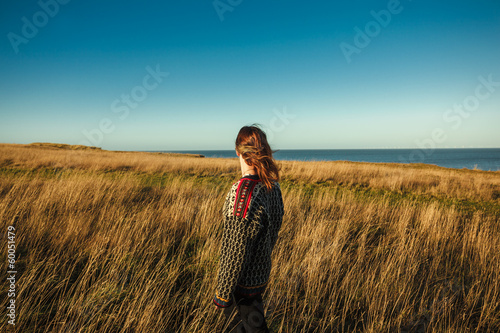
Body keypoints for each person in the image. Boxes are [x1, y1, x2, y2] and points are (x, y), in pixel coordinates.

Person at [213, 124, 284, 333]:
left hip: (240, 287)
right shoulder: (272, 187)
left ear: (238, 152)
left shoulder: (242, 192)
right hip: (259, 278)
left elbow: (235, 251)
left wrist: (223, 294)